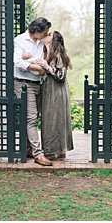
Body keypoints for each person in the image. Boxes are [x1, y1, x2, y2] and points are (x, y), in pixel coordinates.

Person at [13, 16, 53, 166]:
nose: (46, 34)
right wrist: (38, 68)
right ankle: (38, 154)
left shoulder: (41, 42)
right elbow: (18, 62)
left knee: (32, 118)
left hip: (38, 83)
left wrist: (38, 66)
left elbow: (43, 60)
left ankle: (28, 149)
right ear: (36, 30)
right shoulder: (20, 40)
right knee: (31, 118)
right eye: (44, 32)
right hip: (24, 85)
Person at [38, 31, 74, 161]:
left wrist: (47, 67)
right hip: (49, 89)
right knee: (51, 119)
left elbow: (61, 76)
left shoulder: (59, 55)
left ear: (54, 41)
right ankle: (55, 150)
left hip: (57, 91)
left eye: (49, 35)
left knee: (56, 119)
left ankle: (56, 150)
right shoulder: (46, 53)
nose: (45, 35)